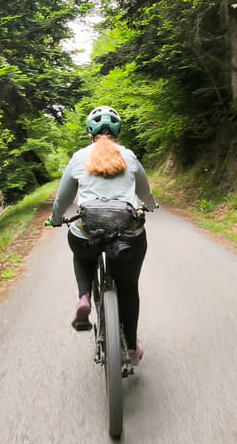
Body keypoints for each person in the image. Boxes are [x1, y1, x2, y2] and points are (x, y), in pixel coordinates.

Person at [49, 106, 158, 366]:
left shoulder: (78, 157)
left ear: (90, 132)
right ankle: (131, 349)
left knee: (81, 254)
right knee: (129, 288)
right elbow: (145, 193)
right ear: (118, 132)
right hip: (128, 233)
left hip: (88, 231)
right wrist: (151, 206)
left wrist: (55, 220)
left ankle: (84, 297)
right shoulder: (129, 156)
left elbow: (62, 199)